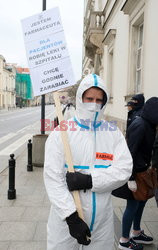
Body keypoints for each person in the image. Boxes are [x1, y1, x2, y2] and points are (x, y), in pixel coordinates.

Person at [44, 73, 133, 250]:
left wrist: (90, 180)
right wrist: (71, 217)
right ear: (80, 98)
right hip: (65, 221)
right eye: (89, 98)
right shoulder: (61, 133)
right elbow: (53, 178)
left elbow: (124, 169)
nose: (94, 104)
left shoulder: (112, 133)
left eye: (99, 100)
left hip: (102, 221)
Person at [116, 97, 158, 250]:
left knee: (141, 202)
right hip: (136, 172)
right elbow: (130, 152)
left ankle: (136, 231)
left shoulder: (149, 124)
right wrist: (131, 177)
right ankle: (124, 240)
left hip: (143, 170)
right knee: (133, 205)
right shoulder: (140, 125)